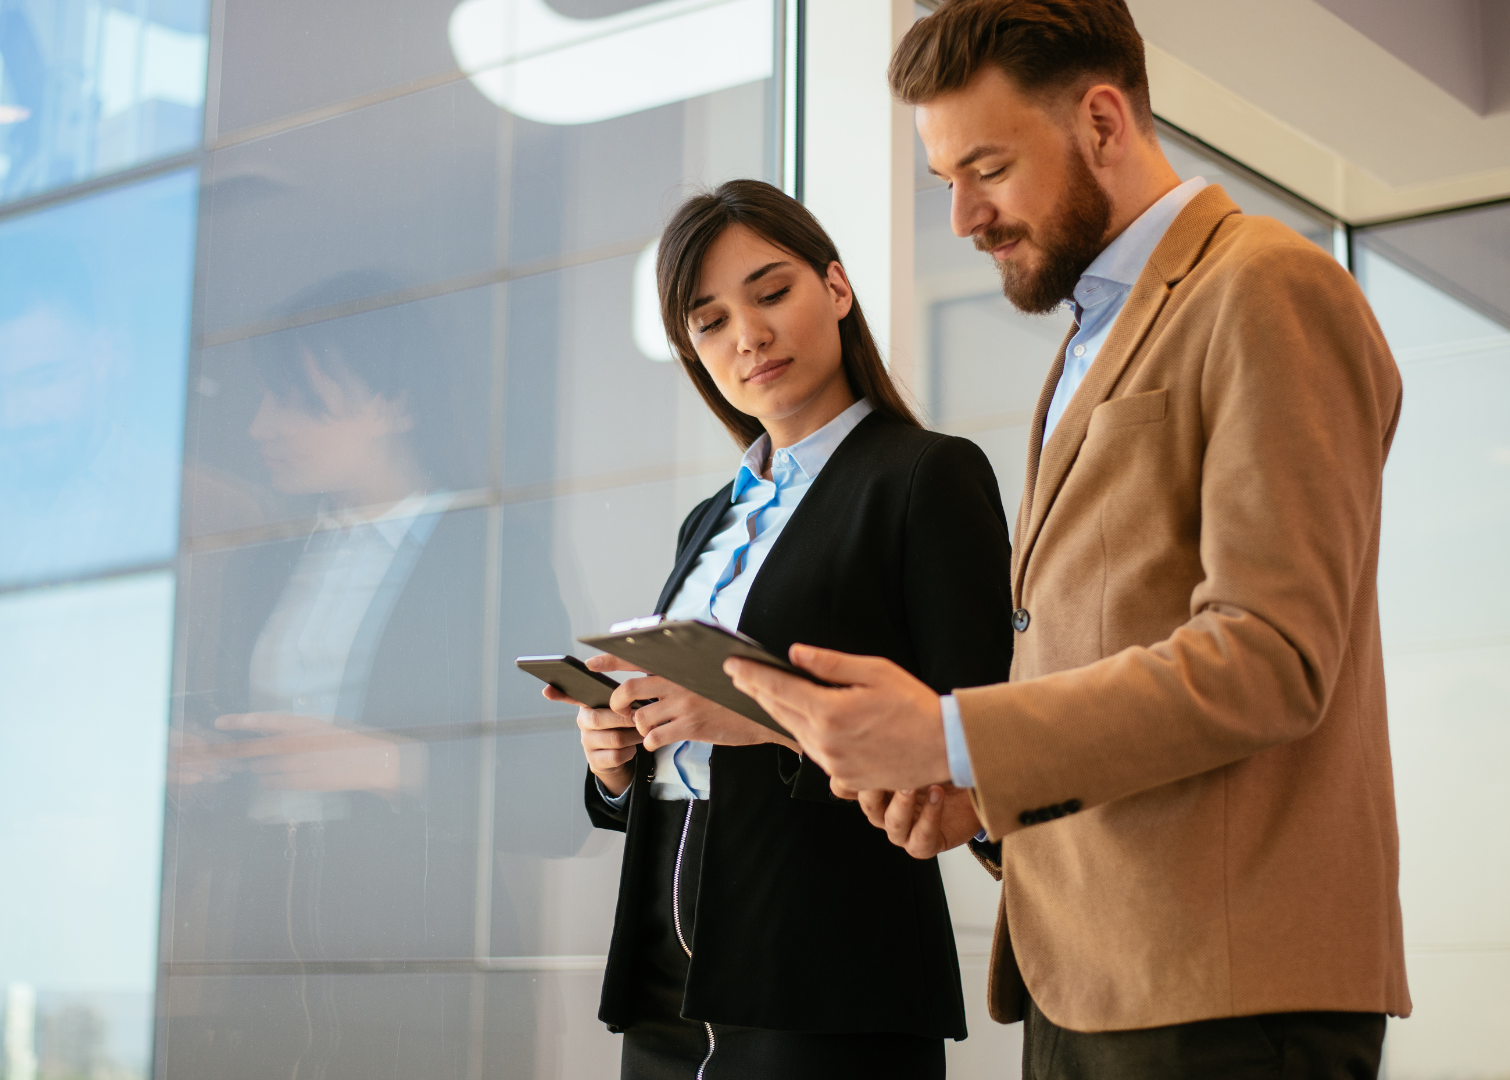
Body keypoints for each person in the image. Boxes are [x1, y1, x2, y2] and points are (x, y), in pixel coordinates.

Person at [722, 3, 1411, 1078]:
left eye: (986, 168)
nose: (962, 218)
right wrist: (974, 793)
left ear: (1100, 121)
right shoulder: (1092, 336)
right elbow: (1104, 639)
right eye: (945, 180)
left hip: (1224, 990)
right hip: (1089, 970)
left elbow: (1272, 659)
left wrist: (953, 733)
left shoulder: (1265, 288)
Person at [548, 179, 1013, 1079]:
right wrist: (616, 753)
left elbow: (979, 737)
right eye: (711, 321)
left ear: (836, 290)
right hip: (667, 953)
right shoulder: (708, 519)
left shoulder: (927, 477)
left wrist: (759, 718)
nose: (748, 336)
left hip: (827, 958)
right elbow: (679, 748)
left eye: (771, 293)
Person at [166, 275, 584, 1079]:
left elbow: (559, 798)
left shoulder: (492, 554)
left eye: (295, 399)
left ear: (397, 403)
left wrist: (386, 765)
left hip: (417, 963)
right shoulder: (269, 564)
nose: (261, 426)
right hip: (261, 950)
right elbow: (244, 773)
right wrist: (203, 772)